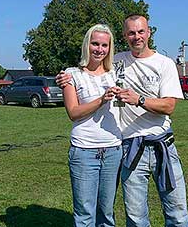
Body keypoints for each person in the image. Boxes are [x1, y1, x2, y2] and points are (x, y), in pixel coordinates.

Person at [57, 15, 188, 226]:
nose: (136, 37)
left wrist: (139, 99)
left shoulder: (164, 63)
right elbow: (86, 72)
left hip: (162, 145)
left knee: (177, 214)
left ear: (149, 33)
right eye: (131, 33)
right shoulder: (117, 63)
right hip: (131, 149)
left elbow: (169, 106)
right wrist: (65, 77)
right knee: (136, 218)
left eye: (140, 32)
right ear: (125, 36)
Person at [61, 24, 122, 227]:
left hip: (113, 149)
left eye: (104, 45)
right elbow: (73, 113)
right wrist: (101, 100)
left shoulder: (117, 74)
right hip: (84, 151)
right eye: (95, 43)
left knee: (106, 212)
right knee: (85, 214)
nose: (99, 49)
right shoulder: (71, 74)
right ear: (87, 44)